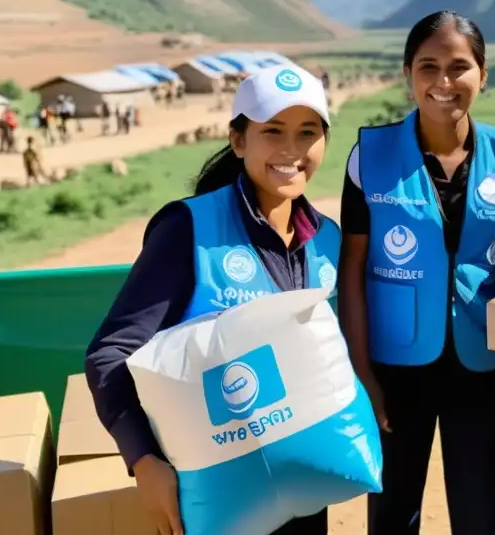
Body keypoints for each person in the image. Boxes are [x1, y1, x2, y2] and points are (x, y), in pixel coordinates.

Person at [85, 64, 339, 535]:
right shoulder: (188, 229)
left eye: (308, 132)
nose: (291, 149)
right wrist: (143, 460)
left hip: (302, 490)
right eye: (273, 131)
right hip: (217, 493)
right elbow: (109, 353)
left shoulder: (328, 240)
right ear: (239, 140)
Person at [338, 11, 495, 535]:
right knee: (392, 513)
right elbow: (351, 273)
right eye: (429, 66)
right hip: (395, 371)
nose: (444, 82)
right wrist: (364, 377)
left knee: (486, 513)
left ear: (483, 74)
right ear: (408, 73)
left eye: (459, 66)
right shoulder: (370, 156)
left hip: (485, 371)